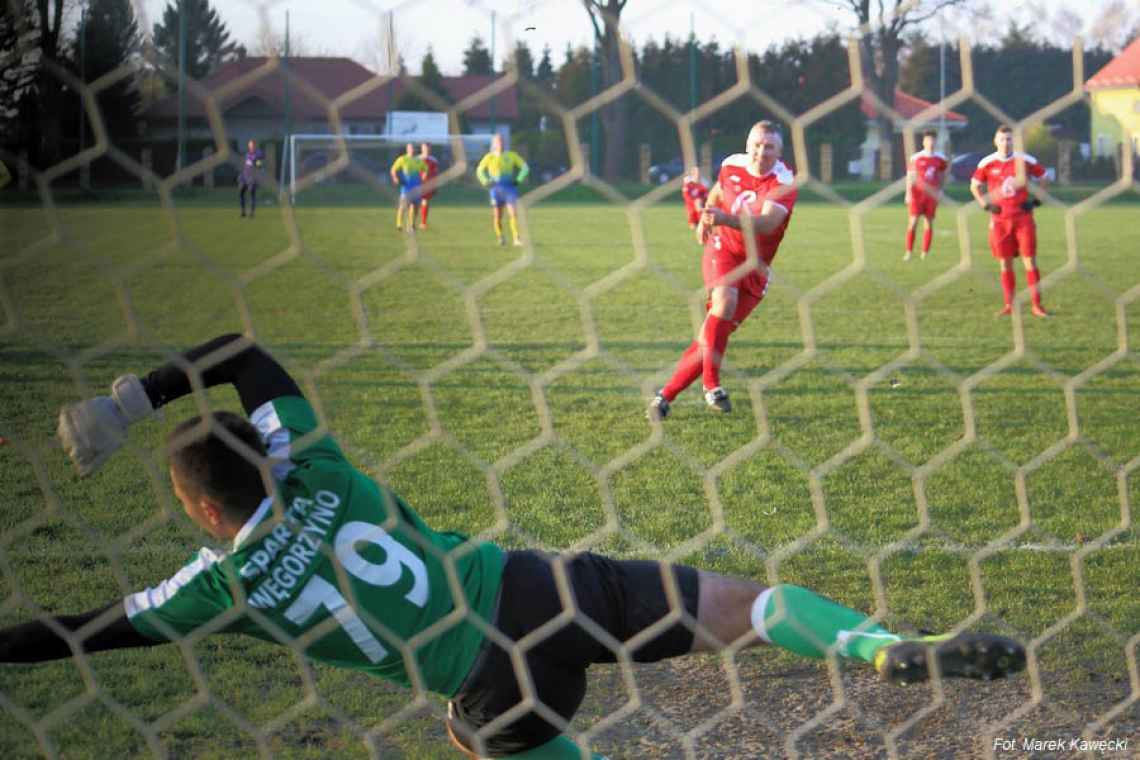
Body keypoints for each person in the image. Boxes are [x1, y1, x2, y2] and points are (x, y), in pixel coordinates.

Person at [1, 334, 1026, 759]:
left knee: (476, 735)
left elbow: (87, 631)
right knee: (751, 606)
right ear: (265, 462)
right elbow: (240, 354)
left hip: (493, 690)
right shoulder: (313, 462)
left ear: (199, 516)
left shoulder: (215, 588)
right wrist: (134, 399)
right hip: (535, 591)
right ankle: (878, 646)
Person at [649, 121, 796, 420]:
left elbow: (768, 224)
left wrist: (724, 218)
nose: (761, 152)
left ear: (779, 152)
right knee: (724, 302)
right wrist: (706, 218)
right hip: (724, 250)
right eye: (756, 144)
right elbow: (717, 192)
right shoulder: (731, 165)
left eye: (769, 147)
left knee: (711, 336)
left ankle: (665, 396)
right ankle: (712, 385)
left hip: (756, 267)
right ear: (747, 145)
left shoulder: (783, 181)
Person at [970, 125, 1049, 318]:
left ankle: (1037, 305)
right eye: (1002, 139)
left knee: (1029, 260)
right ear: (996, 141)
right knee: (1005, 263)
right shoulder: (987, 163)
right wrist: (986, 205)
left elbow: (1044, 176)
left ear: (1015, 141)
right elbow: (974, 186)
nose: (1006, 143)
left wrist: (1037, 200)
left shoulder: (1025, 160)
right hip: (999, 221)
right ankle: (1009, 305)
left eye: (1009, 139)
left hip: (1023, 219)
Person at [476, 134, 529, 246]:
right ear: (494, 144)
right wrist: (486, 181)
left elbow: (525, 168)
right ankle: (500, 237)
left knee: (513, 213)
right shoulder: (489, 157)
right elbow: (479, 171)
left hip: (509, 188)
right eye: (498, 141)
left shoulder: (511, 155)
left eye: (502, 141)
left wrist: (518, 180)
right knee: (497, 216)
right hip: (495, 189)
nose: (500, 143)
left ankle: (516, 238)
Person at [904, 130, 948, 261]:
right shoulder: (916, 157)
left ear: (936, 141)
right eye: (928, 140)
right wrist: (908, 193)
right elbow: (910, 176)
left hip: (931, 195)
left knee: (928, 223)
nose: (931, 142)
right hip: (917, 194)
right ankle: (909, 252)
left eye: (933, 140)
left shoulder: (941, 158)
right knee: (913, 223)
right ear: (924, 142)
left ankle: (924, 252)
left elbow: (943, 176)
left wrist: (940, 191)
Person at [389, 143, 427, 232]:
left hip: (417, 187)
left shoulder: (418, 160)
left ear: (416, 150)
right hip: (406, 188)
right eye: (410, 148)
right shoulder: (402, 159)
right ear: (407, 149)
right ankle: (399, 224)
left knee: (416, 206)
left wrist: (423, 178)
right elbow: (393, 169)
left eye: (413, 148)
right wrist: (395, 178)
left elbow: (425, 169)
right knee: (403, 206)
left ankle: (411, 224)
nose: (412, 150)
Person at [238, 139, 264, 218]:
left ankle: (252, 213)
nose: (251, 146)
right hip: (244, 177)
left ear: (255, 146)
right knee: (241, 193)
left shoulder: (258, 154)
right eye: (250, 145)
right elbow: (245, 165)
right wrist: (241, 175)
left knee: (252, 194)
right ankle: (243, 212)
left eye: (252, 145)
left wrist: (257, 164)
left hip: (252, 177)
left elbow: (259, 165)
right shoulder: (247, 154)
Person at [419, 142, 440, 229]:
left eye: (428, 148)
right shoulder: (417, 159)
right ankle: (411, 222)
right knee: (413, 204)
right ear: (421, 148)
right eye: (424, 148)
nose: (426, 149)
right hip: (417, 184)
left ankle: (423, 223)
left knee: (425, 202)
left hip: (427, 185)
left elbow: (435, 173)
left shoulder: (433, 160)